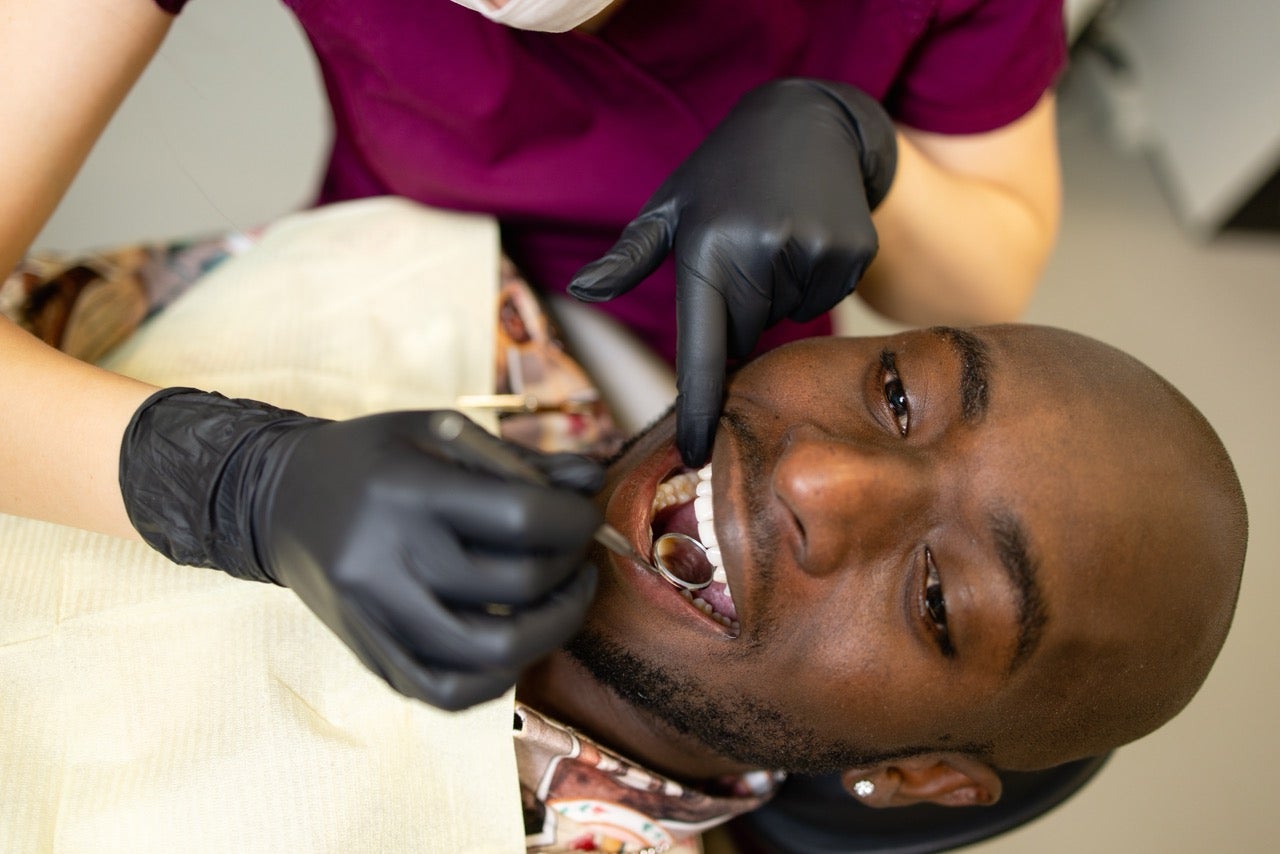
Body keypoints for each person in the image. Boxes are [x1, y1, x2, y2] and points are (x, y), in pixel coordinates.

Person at [0, 200, 1245, 853]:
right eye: (899, 393)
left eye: (936, 597)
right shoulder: (439, 290)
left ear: (919, 776)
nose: (820, 479)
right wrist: (226, 476)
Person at [0, 0, 1061, 712]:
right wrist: (237, 483)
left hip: (722, 345)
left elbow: (987, 282)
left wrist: (864, 150)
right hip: (377, 282)